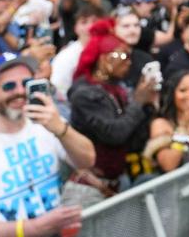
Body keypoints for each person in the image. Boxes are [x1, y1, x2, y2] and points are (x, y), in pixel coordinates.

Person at [0, 52, 93, 232]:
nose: (19, 92)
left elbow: (87, 161)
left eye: (26, 84)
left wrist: (61, 129)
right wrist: (31, 228)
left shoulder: (48, 124)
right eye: (9, 86)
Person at [67, 19, 159, 195]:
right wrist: (138, 102)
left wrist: (148, 105)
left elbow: (132, 135)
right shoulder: (85, 94)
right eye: (123, 56)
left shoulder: (117, 89)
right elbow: (114, 134)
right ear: (104, 59)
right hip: (91, 186)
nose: (129, 62)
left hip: (117, 179)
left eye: (129, 56)